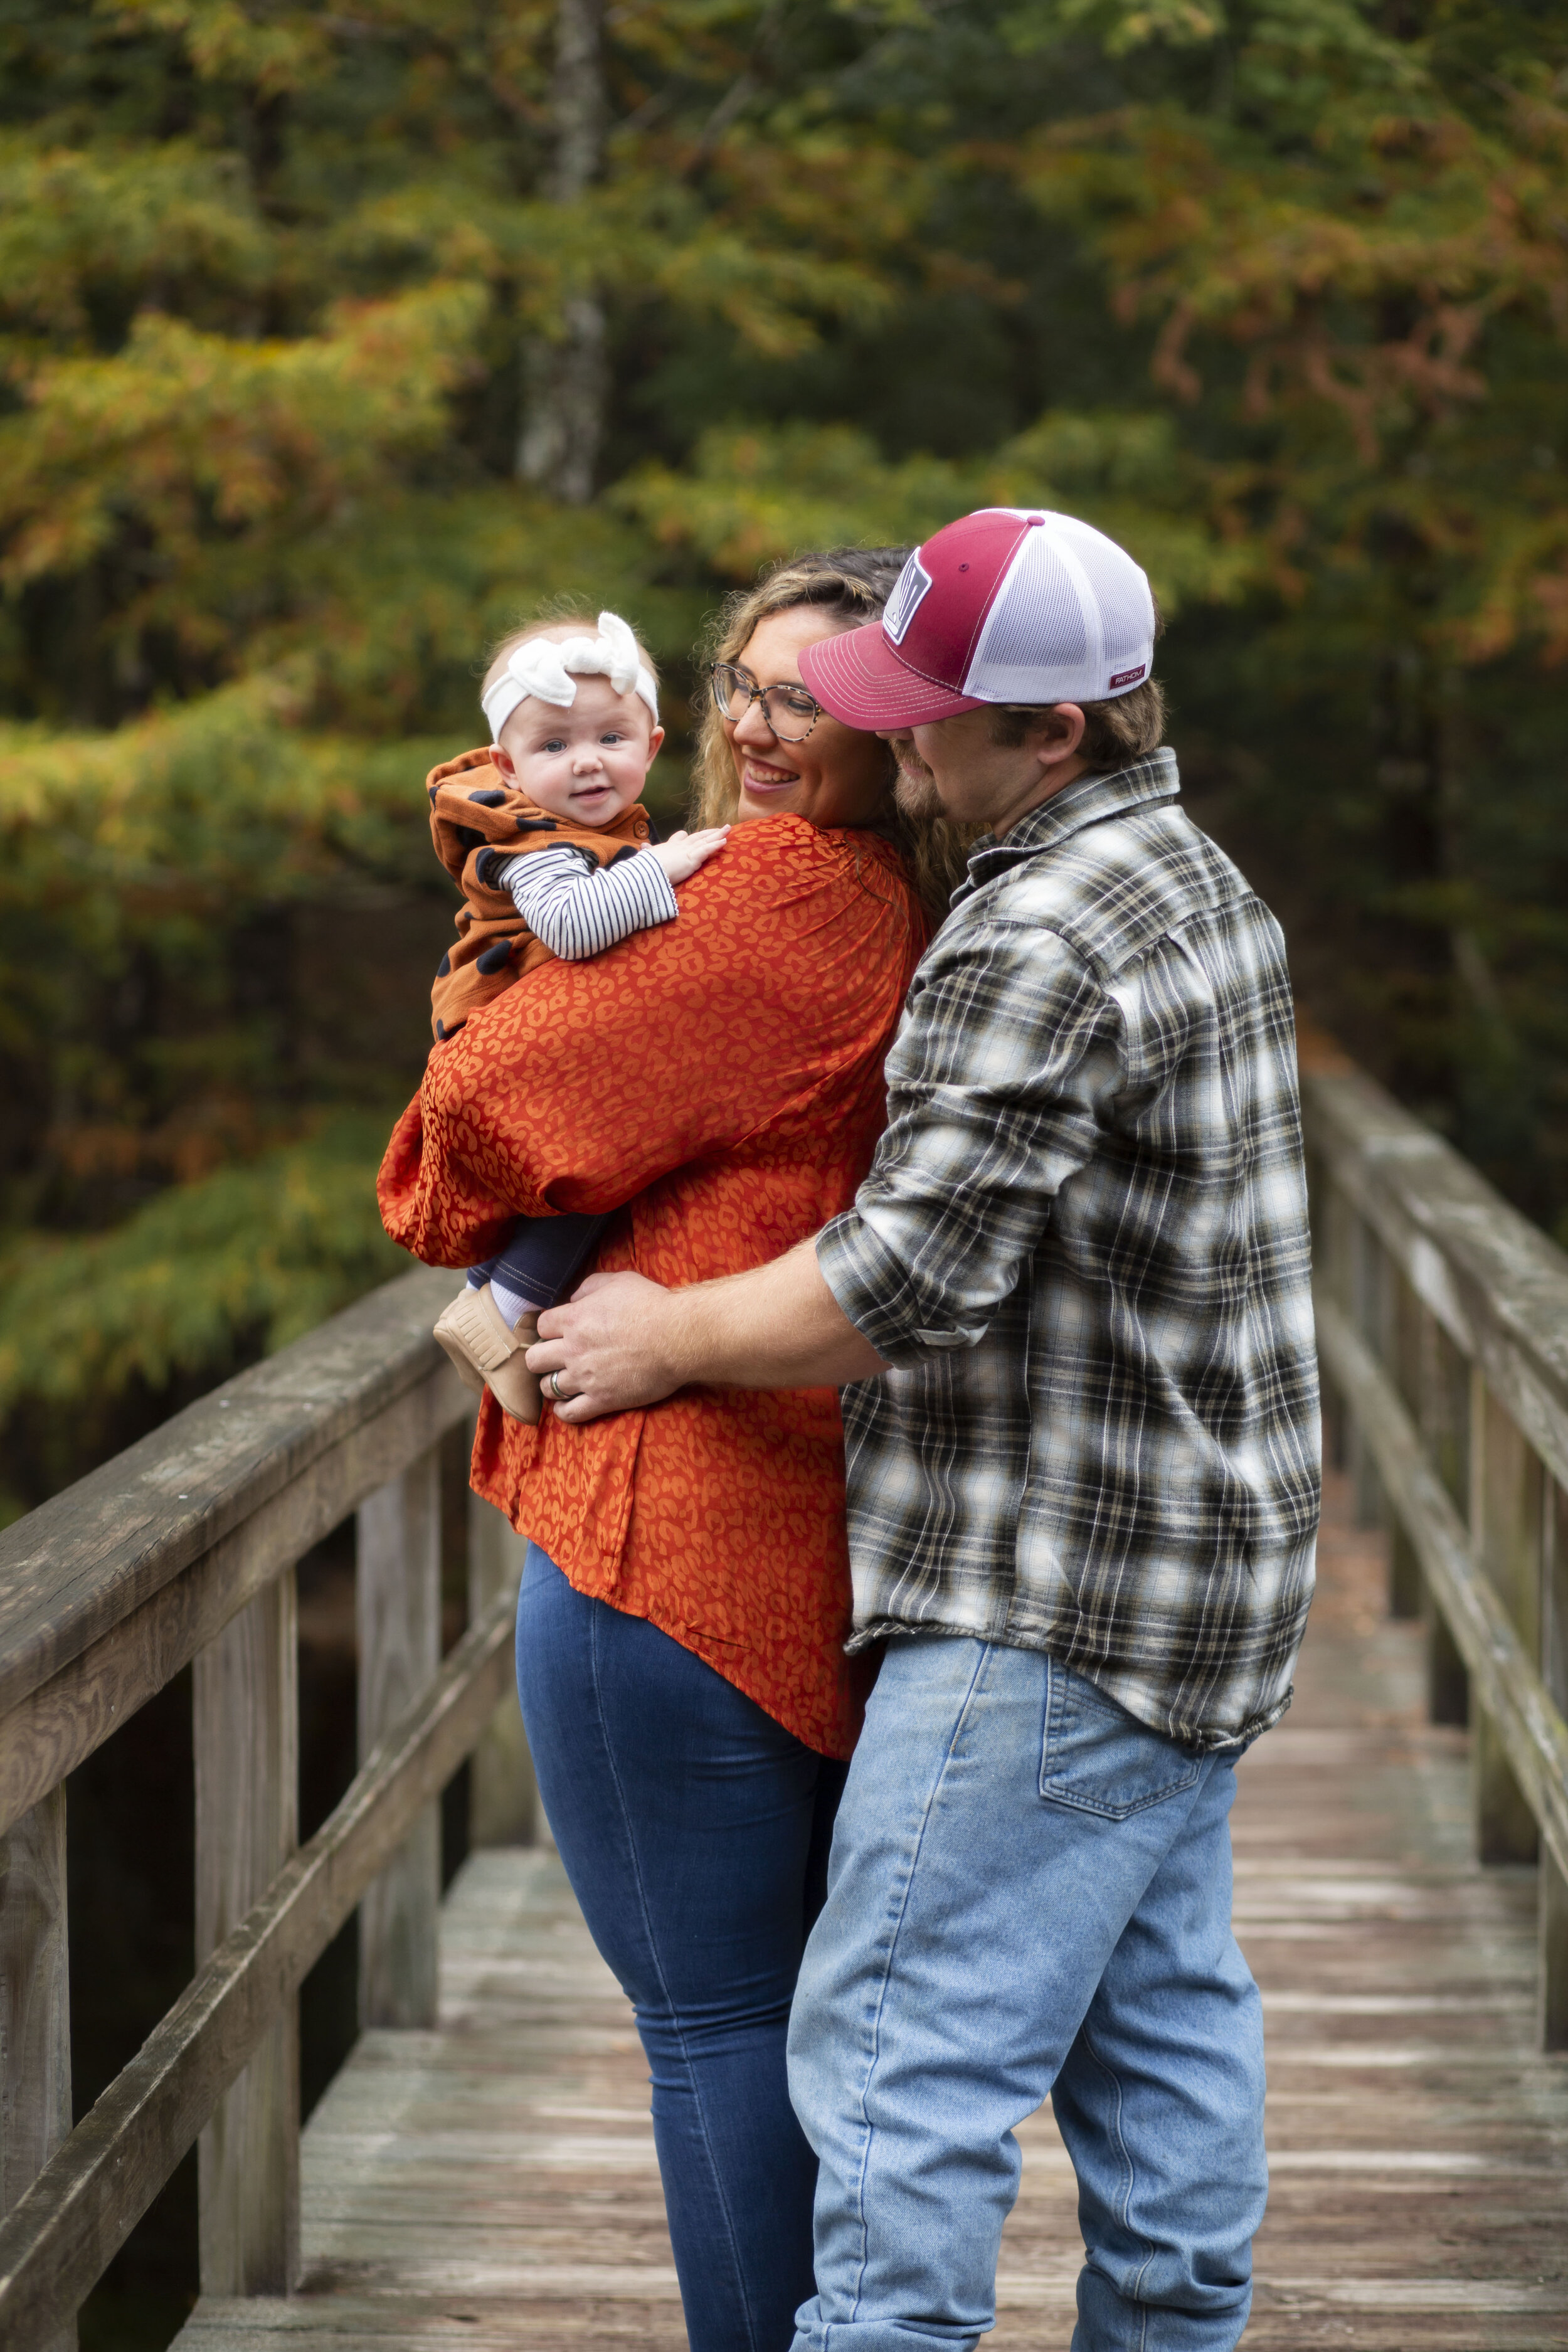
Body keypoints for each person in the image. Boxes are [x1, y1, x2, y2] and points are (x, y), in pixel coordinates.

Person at [523, 507, 1323, 2352]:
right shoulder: (1201, 881)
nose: (886, 743)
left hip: (1047, 1588)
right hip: (1213, 1571)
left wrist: (659, 1334)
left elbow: (900, 1282)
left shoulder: (1027, 924)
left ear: (1049, 730)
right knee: (1161, 2017)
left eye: (921, 714)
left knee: (889, 2053)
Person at [378, 548, 967, 2352]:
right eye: (743, 684)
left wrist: (463, 1096)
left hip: (678, 1535)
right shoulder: (905, 897)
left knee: (714, 2022)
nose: (758, 725)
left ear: (904, 732)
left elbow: (467, 1129)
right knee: (789, 2017)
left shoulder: (785, 900)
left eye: (814, 698)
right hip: (797, 1522)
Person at [423, 608, 729, 1422]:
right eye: (554, 746)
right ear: (508, 765)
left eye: (610, 739)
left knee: (596, 1163)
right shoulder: (537, 842)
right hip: (500, 1046)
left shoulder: (591, 831)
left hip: (535, 1048)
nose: (587, 763)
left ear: (653, 745)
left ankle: (488, 1298)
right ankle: (504, 1309)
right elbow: (573, 924)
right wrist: (667, 868)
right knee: (608, 1155)